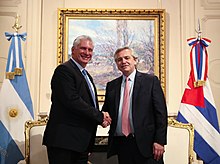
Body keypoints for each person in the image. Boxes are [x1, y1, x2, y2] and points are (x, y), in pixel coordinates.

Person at [43, 35, 111, 164]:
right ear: (73, 50)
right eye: (83, 48)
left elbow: (89, 104)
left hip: (80, 143)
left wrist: (100, 117)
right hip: (64, 141)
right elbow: (72, 101)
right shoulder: (64, 70)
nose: (87, 53)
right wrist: (99, 116)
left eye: (90, 50)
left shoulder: (87, 76)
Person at [102, 47, 168, 164]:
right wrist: (104, 117)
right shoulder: (112, 86)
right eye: (119, 59)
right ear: (117, 64)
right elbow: (106, 110)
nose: (123, 62)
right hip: (122, 144)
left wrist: (160, 141)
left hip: (147, 145)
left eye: (127, 58)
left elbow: (161, 114)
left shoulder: (151, 81)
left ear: (135, 60)